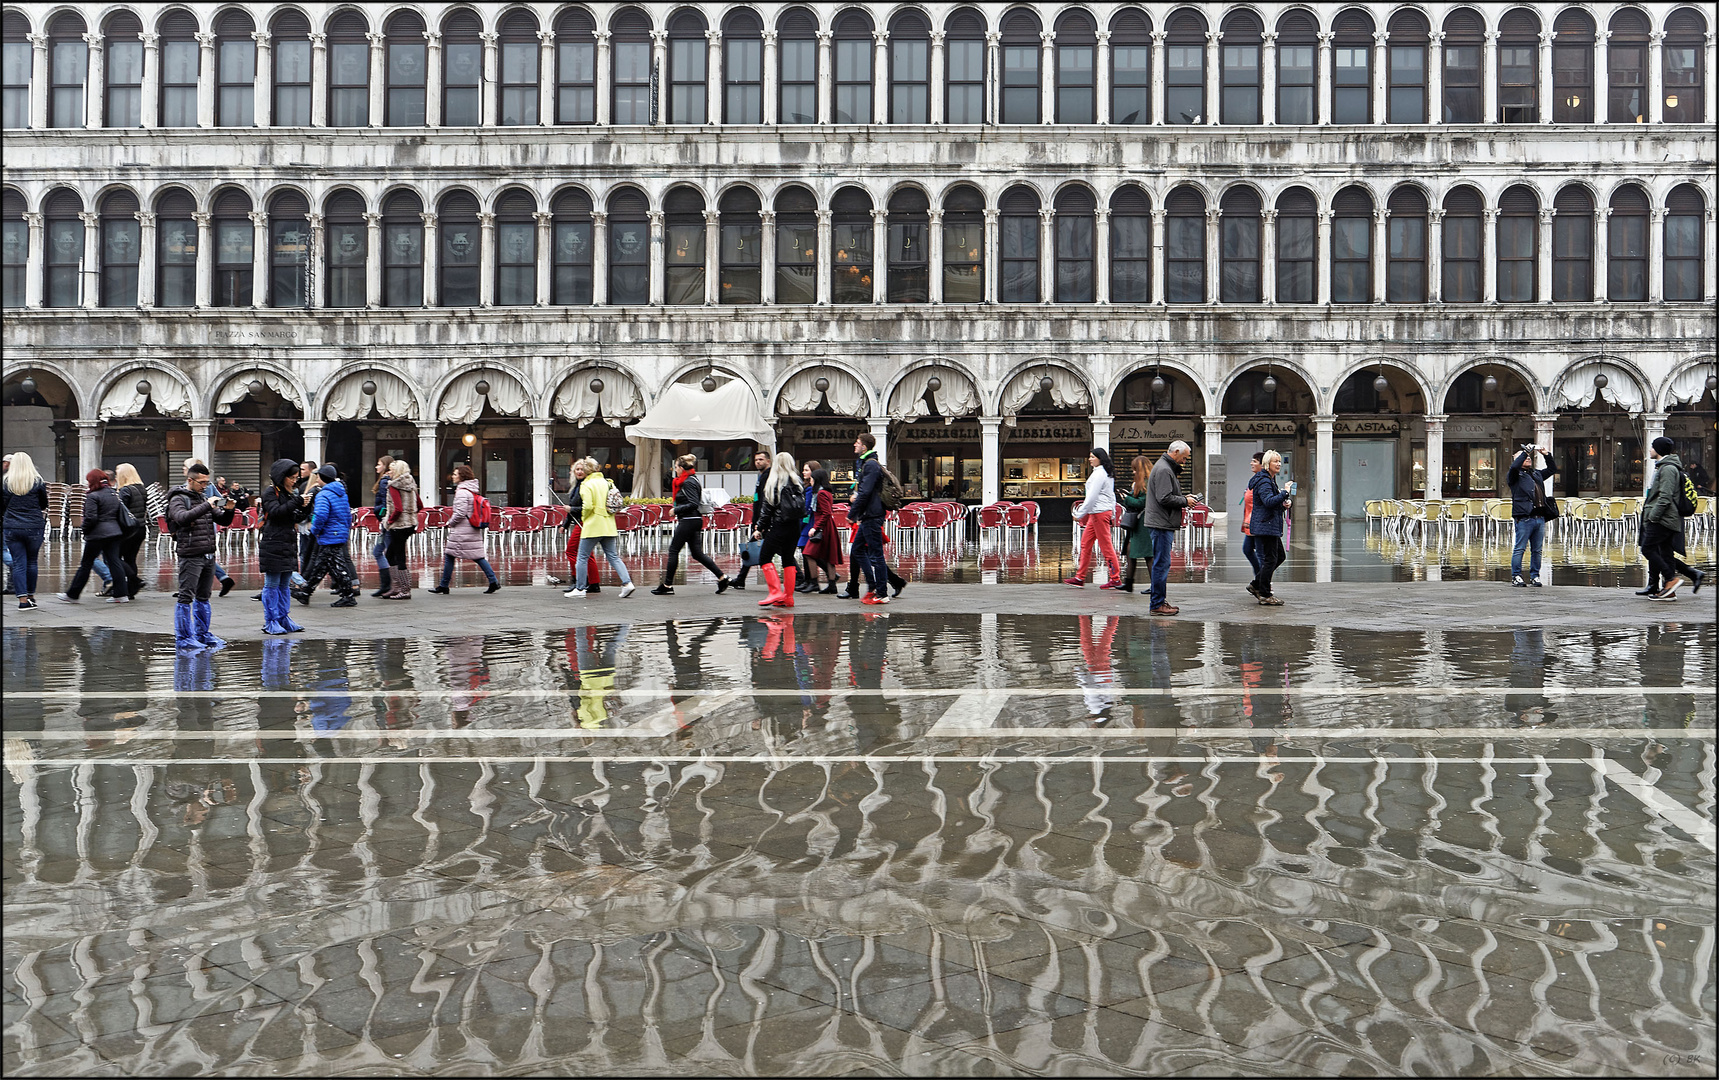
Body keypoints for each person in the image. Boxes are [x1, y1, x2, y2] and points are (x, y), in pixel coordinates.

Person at [164, 462, 236, 651]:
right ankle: (184, 637)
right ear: (190, 480)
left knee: (204, 596)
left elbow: (222, 519)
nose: (205, 486)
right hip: (191, 553)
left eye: (207, 482)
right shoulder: (178, 498)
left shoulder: (202, 497)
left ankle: (203, 633)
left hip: (208, 553)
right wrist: (206, 505)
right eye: (201, 482)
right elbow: (181, 518)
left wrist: (229, 509)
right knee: (186, 596)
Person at [652, 454, 732, 596]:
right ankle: (722, 577)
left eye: (676, 467)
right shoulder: (691, 479)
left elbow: (693, 503)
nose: (674, 470)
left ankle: (667, 585)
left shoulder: (688, 482)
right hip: (693, 520)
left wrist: (676, 509)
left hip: (689, 520)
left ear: (682, 468)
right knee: (697, 553)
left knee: (673, 550)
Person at [58, 470, 139, 604]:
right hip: (114, 533)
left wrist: (85, 530)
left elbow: (91, 517)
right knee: (115, 562)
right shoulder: (113, 493)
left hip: (97, 535)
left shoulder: (93, 496)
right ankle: (121, 594)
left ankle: (73, 594)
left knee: (86, 564)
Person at [1641, 436, 1704, 600]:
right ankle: (1669, 592)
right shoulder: (1664, 467)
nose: (1650, 450)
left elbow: (1665, 497)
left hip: (1663, 519)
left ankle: (1671, 579)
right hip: (1667, 518)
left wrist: (1653, 516)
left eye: (1652, 447)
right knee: (1666, 554)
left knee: (1647, 549)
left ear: (1659, 450)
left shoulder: (1668, 469)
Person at [567, 457, 635, 599]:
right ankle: (627, 583)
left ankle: (580, 589)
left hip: (593, 525)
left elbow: (588, 506)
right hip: (609, 524)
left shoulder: (586, 484)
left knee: (582, 557)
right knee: (613, 556)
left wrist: (584, 517)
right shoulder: (607, 482)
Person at [295, 464, 360, 607]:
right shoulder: (341, 492)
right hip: (339, 532)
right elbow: (347, 514)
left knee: (336, 566)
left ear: (322, 477)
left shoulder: (323, 494)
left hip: (329, 534)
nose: (316, 478)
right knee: (322, 565)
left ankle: (348, 595)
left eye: (318, 476)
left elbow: (320, 515)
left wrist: (315, 530)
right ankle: (306, 593)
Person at [434, 464, 503, 595]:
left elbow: (460, 513)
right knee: (477, 556)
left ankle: (444, 585)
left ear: (461, 476)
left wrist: (450, 522)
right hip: (470, 528)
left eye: (455, 474)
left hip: (461, 530)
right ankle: (493, 581)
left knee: (451, 555)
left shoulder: (461, 492)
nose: (452, 476)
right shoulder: (471, 491)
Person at [258, 458, 310, 634]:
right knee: (272, 584)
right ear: (282, 477)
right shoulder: (271, 493)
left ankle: (283, 617)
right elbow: (276, 512)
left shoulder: (289, 494)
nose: (295, 481)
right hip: (273, 542)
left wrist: (305, 507)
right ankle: (271, 620)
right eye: (291, 477)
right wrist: (297, 502)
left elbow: (294, 516)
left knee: (284, 584)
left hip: (287, 542)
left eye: (296, 477)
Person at [1142, 442, 1192, 616]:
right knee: (1161, 564)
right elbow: (1164, 498)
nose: (1184, 462)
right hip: (1161, 523)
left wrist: (1184, 498)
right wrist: (1185, 501)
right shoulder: (1164, 469)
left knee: (1161, 563)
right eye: (1184, 457)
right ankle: (1157, 604)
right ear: (1176, 452)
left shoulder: (1165, 467)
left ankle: (1159, 601)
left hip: (1161, 522)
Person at [751, 451, 806, 608]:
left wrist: (759, 528)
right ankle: (788, 597)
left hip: (779, 524)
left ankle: (775, 592)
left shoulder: (774, 481)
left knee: (764, 558)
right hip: (795, 525)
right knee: (788, 558)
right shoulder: (798, 482)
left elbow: (767, 509)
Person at [1065, 447, 1122, 588]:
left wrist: (1079, 514)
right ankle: (1080, 577)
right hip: (1099, 513)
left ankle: (1115, 578)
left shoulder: (1099, 475)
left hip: (1099, 513)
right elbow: (1110, 495)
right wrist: (1112, 511)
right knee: (1085, 544)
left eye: (1092, 457)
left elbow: (1091, 497)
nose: (1090, 459)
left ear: (1099, 458)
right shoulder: (1105, 473)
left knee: (1105, 546)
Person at [849, 432, 894, 605]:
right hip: (868, 515)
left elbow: (865, 492)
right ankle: (873, 587)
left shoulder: (871, 465)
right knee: (858, 549)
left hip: (872, 515)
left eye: (857, 442)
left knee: (876, 555)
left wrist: (853, 513)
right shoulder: (866, 464)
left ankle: (881, 593)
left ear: (864, 447)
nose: (855, 444)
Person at [1505, 444, 1558, 588]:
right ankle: (1516, 576)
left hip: (1539, 517)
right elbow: (1514, 467)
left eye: (1528, 457)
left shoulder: (1536, 474)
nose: (1527, 458)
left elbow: (1552, 469)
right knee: (1520, 548)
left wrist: (1547, 455)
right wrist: (1525, 451)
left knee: (1537, 550)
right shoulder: (1514, 475)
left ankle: (1535, 576)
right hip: (1524, 517)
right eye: (1523, 457)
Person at [1247, 450, 1293, 605]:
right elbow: (1267, 501)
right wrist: (1284, 493)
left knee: (1278, 557)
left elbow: (1272, 503)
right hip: (1265, 524)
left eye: (1280, 461)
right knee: (1271, 558)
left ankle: (1256, 585)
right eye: (1275, 461)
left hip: (1268, 524)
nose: (1279, 464)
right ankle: (1265, 593)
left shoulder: (1270, 480)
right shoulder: (1265, 481)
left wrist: (1283, 504)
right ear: (1267, 463)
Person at [2, 452, 47, 609]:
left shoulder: (6, 482)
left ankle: (22, 600)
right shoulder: (38, 482)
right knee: (32, 561)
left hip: (12, 526)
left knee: (18, 563)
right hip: (34, 526)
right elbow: (43, 504)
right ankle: (31, 596)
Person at [729, 449, 773, 590]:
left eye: (761, 459)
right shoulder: (761, 476)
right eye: (756, 460)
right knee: (751, 548)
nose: (757, 462)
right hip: (760, 520)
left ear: (768, 461)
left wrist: (761, 523)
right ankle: (741, 579)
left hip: (764, 521)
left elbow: (765, 501)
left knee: (778, 550)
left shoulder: (768, 476)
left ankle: (801, 578)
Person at [558, 459, 604, 594]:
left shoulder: (585, 486)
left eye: (582, 469)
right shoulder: (577, 486)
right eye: (577, 469)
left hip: (584, 522)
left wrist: (571, 509)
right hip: (582, 521)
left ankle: (577, 580)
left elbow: (584, 507)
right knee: (588, 554)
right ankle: (594, 583)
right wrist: (565, 525)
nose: (579, 471)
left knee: (571, 551)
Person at [378, 459, 420, 600]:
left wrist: (389, 521)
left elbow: (398, 509)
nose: (389, 472)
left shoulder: (393, 486)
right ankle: (397, 587)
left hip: (398, 525)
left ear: (397, 471)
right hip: (410, 524)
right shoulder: (411, 484)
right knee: (391, 554)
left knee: (398, 556)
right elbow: (420, 504)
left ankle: (404, 589)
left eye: (391, 470)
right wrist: (412, 515)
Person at [1114, 455, 1155, 593]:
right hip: (1138, 523)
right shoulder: (1142, 482)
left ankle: (1155, 586)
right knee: (1131, 552)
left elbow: (1141, 503)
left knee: (1148, 555)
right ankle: (1128, 583)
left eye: (1135, 469)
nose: (1133, 472)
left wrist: (1127, 499)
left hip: (1143, 523)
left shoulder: (1147, 483)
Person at [802, 468, 845, 594]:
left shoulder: (820, 494)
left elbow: (826, 513)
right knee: (829, 557)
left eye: (811, 479)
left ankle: (814, 582)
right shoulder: (825, 492)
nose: (810, 481)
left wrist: (815, 528)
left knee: (808, 553)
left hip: (823, 527)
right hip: (827, 526)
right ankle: (832, 585)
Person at [112, 463, 149, 599]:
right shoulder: (141, 488)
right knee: (130, 558)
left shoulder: (125, 490)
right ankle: (131, 590)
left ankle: (134, 580)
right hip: (140, 528)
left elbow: (121, 510)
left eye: (117, 474)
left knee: (113, 557)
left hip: (128, 530)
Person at [368, 454, 394, 597]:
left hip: (386, 522)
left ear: (385, 466)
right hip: (387, 521)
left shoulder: (385, 481)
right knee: (381, 551)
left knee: (385, 552)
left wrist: (380, 513)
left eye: (379, 464)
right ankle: (387, 584)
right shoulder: (388, 480)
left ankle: (389, 584)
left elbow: (385, 503)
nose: (376, 467)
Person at [796, 460, 822, 592]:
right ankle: (809, 580)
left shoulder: (812, 488)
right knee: (805, 552)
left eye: (806, 470)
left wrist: (801, 521)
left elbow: (807, 507)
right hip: (807, 523)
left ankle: (813, 581)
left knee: (807, 552)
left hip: (809, 523)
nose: (803, 472)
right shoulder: (808, 486)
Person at [1239, 451, 1264, 582]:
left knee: (1260, 553)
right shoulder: (1254, 480)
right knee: (1248, 549)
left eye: (1254, 461)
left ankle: (1262, 581)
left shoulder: (1262, 481)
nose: (1251, 463)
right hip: (1250, 523)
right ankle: (1259, 578)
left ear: (1262, 464)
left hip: (1257, 524)